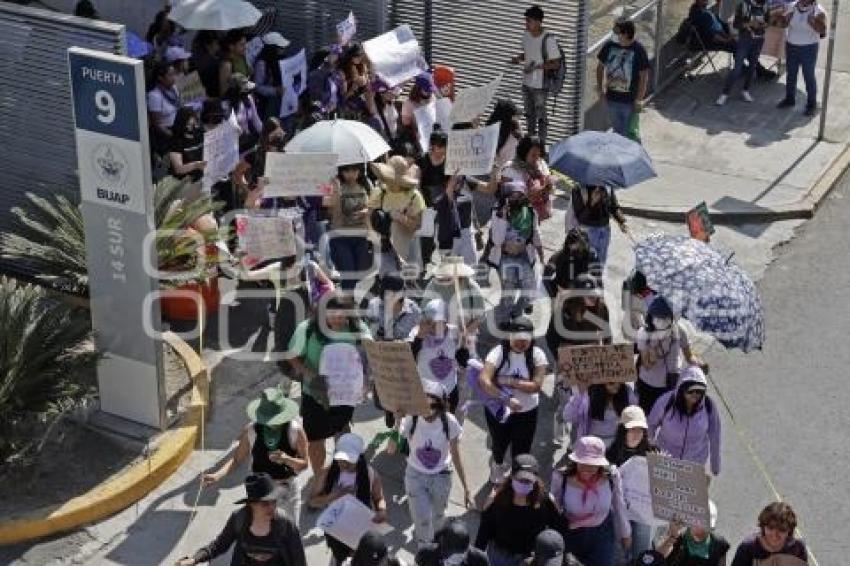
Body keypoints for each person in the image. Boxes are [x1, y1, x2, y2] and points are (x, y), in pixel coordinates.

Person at [287, 294, 371, 474]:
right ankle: (320, 476)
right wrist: (311, 375)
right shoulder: (307, 329)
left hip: (344, 394)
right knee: (316, 441)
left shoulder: (357, 328)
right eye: (332, 315)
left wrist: (366, 378)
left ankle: (343, 470)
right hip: (315, 395)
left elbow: (371, 352)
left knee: (342, 431)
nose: (338, 320)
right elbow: (292, 357)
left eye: (343, 315)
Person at [201, 388, 308, 525]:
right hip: (260, 492)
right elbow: (237, 458)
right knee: (261, 531)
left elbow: (304, 464)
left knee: (290, 533)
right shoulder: (251, 430)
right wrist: (217, 475)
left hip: (286, 489)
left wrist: (286, 459)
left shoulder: (295, 430)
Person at [387, 380, 474, 549]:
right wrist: (397, 423)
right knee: (421, 518)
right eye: (424, 405)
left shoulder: (450, 422)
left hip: (442, 476)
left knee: (438, 516)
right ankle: (425, 547)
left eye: (433, 405)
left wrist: (466, 489)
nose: (428, 411)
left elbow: (456, 455)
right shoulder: (411, 419)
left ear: (441, 405)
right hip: (415, 476)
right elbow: (390, 450)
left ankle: (436, 537)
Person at [177, 473, 306, 566]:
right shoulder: (239, 519)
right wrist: (194, 559)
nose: (271, 507)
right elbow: (218, 545)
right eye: (265, 504)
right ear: (251, 504)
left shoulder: (286, 524)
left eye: (273, 501)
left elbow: (299, 560)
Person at [478, 317, 548, 485]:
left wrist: (506, 381)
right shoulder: (498, 352)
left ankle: (517, 475)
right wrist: (506, 399)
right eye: (517, 339)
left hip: (527, 411)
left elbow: (536, 385)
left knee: (522, 448)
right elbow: (484, 380)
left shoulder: (537, 354)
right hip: (500, 410)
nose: (521, 344)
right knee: (499, 443)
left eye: (525, 340)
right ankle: (498, 465)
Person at [550, 436, 632, 566]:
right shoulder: (561, 477)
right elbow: (553, 509)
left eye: (593, 465)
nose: (587, 469)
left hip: (602, 534)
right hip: (571, 534)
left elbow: (619, 505)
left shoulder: (611, 476)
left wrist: (625, 533)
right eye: (583, 463)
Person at [309, 433, 389, 565]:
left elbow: (379, 498)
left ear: (359, 458)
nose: (344, 464)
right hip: (336, 529)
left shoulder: (370, 474)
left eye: (349, 461)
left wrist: (382, 510)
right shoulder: (327, 473)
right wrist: (333, 496)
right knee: (338, 556)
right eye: (341, 459)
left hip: (361, 528)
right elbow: (312, 501)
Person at [475, 454, 563, 565]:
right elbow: (485, 529)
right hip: (500, 556)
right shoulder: (498, 499)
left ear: (535, 480)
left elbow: (558, 527)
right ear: (512, 477)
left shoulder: (544, 501)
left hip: (530, 557)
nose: (524, 484)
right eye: (520, 479)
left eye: (528, 481)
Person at [484, 182, 543, 323]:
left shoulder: (529, 211)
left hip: (523, 256)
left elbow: (535, 233)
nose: (516, 199)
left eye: (519, 195)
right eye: (512, 196)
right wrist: (503, 218)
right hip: (505, 257)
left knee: (530, 290)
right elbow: (497, 240)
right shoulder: (497, 213)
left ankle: (516, 312)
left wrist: (541, 253)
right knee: (509, 292)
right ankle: (504, 319)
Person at [648, 365, 722, 476]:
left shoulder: (709, 406)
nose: (695, 395)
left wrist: (715, 465)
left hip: (695, 463)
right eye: (691, 391)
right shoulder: (666, 401)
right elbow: (651, 424)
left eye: (699, 391)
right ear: (682, 388)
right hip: (666, 460)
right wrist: (651, 447)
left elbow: (715, 436)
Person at [606, 406, 658, 562]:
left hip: (643, 515)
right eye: (632, 430)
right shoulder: (610, 454)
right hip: (619, 513)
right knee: (619, 553)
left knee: (641, 554)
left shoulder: (654, 452)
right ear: (623, 431)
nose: (637, 435)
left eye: (640, 430)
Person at [635, 296, 699, 414]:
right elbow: (646, 365)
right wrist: (653, 355)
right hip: (648, 384)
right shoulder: (643, 333)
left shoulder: (679, 330)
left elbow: (689, 355)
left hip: (671, 383)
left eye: (666, 318)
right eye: (658, 318)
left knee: (666, 415)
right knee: (646, 414)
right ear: (651, 318)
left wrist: (698, 364)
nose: (663, 321)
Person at [509, 5, 561, 146]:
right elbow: (528, 53)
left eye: (529, 21)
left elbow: (556, 63)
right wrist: (518, 59)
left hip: (540, 86)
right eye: (525, 20)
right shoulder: (526, 35)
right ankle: (530, 143)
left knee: (541, 118)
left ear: (538, 22)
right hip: (527, 83)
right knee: (528, 115)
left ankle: (542, 145)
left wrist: (537, 67)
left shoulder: (548, 39)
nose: (526, 24)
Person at [409, 299, 472, 414]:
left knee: (446, 426)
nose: (433, 326)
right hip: (424, 393)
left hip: (449, 392)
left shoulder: (454, 333)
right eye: (429, 322)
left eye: (438, 322)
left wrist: (463, 345)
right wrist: (419, 338)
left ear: (446, 321)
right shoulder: (416, 333)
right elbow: (409, 360)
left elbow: (463, 362)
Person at [368, 156, 427, 275]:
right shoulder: (379, 192)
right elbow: (369, 217)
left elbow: (417, 225)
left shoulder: (414, 196)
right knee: (390, 282)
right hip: (385, 246)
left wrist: (401, 218)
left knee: (409, 283)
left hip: (407, 245)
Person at [596, 19, 650, 139]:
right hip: (611, 98)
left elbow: (644, 76)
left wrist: (639, 99)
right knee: (617, 132)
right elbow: (600, 67)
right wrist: (601, 90)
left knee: (628, 134)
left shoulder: (639, 50)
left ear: (625, 34)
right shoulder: (609, 45)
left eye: (616, 31)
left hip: (630, 102)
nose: (613, 34)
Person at [776, 0, 827, 116]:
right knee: (791, 74)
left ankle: (812, 104)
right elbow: (783, 24)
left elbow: (823, 31)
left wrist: (813, 23)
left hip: (808, 48)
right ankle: (789, 99)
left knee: (808, 75)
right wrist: (782, 19)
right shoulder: (792, 6)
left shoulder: (819, 10)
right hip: (791, 46)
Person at [328, 164, 374, 291]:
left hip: (360, 236)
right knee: (348, 273)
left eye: (354, 170)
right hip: (341, 236)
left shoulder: (366, 186)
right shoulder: (336, 187)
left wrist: (366, 212)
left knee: (359, 272)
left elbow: (372, 206)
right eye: (347, 171)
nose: (351, 174)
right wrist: (336, 191)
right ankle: (347, 304)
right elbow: (332, 213)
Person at [716, 0, 769, 105]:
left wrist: (763, 25)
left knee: (753, 66)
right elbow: (736, 24)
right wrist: (749, 24)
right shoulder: (743, 5)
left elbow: (768, 22)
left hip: (759, 40)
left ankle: (745, 90)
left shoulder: (765, 6)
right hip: (744, 40)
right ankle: (725, 94)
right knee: (737, 69)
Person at [563, 381, 638, 448]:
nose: (617, 385)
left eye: (619, 381)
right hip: (591, 443)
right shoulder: (588, 394)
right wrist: (579, 395)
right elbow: (568, 417)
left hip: (616, 444)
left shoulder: (626, 392)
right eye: (611, 382)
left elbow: (635, 415)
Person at [730, 502, 808, 565]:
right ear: (763, 526)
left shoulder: (797, 547)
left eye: (782, 530)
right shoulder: (748, 548)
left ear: (789, 530)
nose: (775, 535)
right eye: (770, 528)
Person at [416, 127, 450, 269]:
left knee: (442, 234)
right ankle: (425, 261)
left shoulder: (449, 161)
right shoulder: (423, 160)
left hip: (442, 200)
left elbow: (449, 182)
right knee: (427, 235)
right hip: (426, 201)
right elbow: (417, 183)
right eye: (439, 146)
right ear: (433, 146)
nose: (442, 149)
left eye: (444, 146)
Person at [571, 184, 628, 268]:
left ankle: (598, 278)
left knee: (601, 260)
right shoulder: (578, 189)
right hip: (588, 232)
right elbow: (580, 218)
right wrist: (592, 202)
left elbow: (614, 207)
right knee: (587, 262)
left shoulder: (607, 186)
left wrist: (621, 221)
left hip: (605, 230)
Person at [658, 503, 731, 566]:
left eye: (706, 527)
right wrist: (672, 537)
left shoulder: (719, 544)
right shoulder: (677, 538)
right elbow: (657, 558)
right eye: (698, 525)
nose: (701, 530)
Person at [502, 136, 554, 222]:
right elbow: (506, 198)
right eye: (533, 155)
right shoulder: (510, 169)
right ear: (523, 153)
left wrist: (549, 185)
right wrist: (533, 194)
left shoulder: (541, 164)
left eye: (539, 154)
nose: (537, 158)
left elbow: (548, 184)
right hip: (517, 218)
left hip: (536, 217)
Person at [542, 228, 598, 297]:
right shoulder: (557, 257)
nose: (581, 248)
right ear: (569, 244)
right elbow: (546, 277)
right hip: (564, 296)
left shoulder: (591, 256)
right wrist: (554, 294)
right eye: (579, 245)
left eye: (583, 245)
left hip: (583, 297)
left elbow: (597, 277)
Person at [415, 518, 489, 566]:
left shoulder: (480, 559)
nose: (455, 559)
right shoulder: (427, 553)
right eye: (451, 554)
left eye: (460, 554)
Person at [223, 73, 263, 156]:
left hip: (249, 141)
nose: (248, 91)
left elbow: (256, 120)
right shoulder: (226, 104)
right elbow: (232, 125)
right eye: (245, 89)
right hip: (233, 146)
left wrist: (264, 134)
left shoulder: (248, 98)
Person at [253, 32, 290, 119]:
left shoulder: (277, 58)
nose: (284, 49)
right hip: (266, 103)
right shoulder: (261, 63)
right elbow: (257, 87)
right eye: (281, 47)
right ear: (272, 48)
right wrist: (275, 91)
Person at [168, 107, 206, 191]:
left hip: (201, 178)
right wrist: (196, 165)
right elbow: (178, 168)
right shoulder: (176, 141)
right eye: (188, 125)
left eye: (194, 124)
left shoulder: (199, 133)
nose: (191, 128)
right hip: (184, 183)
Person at [147, 61, 181, 151]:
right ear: (160, 78)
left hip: (178, 128)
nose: (174, 78)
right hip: (165, 135)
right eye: (170, 75)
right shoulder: (154, 96)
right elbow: (157, 125)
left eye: (174, 74)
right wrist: (173, 136)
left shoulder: (174, 88)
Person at [400, 73, 437, 146]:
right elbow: (406, 125)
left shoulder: (433, 97)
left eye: (431, 90)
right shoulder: (409, 104)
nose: (430, 92)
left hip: (433, 134)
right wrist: (416, 133)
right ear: (418, 88)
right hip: (419, 138)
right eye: (427, 90)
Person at [219, 29, 251, 101]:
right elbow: (224, 92)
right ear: (231, 46)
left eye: (245, 44)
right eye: (241, 45)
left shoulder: (242, 58)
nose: (245, 47)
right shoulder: (227, 65)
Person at [191, 30, 222, 98]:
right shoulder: (213, 63)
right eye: (216, 43)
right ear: (208, 45)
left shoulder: (192, 60)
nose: (218, 47)